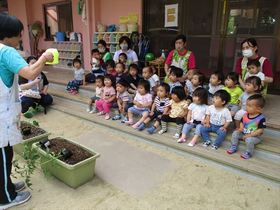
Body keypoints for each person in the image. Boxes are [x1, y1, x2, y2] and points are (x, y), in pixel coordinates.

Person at [0, 13, 53, 209]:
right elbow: (30, 73)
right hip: (2, 114)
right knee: (4, 155)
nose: (21, 38)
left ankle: (7, 187)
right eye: (20, 34)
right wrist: (44, 58)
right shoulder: (7, 51)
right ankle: (5, 198)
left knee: (3, 154)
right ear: (10, 34)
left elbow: (22, 72)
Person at [227, 94, 266, 159]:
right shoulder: (245, 114)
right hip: (244, 133)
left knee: (249, 140)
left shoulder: (261, 118)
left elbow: (260, 130)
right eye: (246, 105)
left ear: (258, 109)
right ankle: (233, 146)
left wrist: (249, 135)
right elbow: (242, 122)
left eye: (249, 106)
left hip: (255, 137)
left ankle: (248, 152)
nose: (246, 107)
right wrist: (241, 128)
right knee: (235, 133)